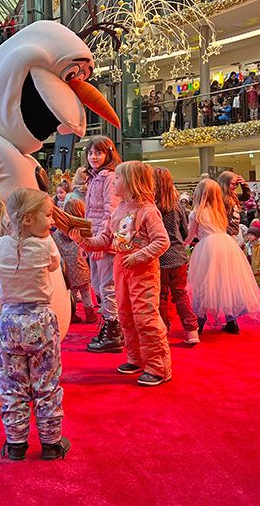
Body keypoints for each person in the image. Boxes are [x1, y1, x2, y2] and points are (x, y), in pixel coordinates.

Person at [0, 188, 69, 461]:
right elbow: (55, 266)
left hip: (9, 324)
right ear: (29, 219)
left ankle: (15, 443)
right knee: (47, 384)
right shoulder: (46, 245)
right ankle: (51, 443)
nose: (52, 221)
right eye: (48, 215)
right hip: (41, 322)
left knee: (12, 385)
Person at [71, 161, 172, 386]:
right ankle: (136, 358)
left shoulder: (147, 210)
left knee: (145, 317)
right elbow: (105, 239)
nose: (113, 182)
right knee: (125, 315)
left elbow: (162, 241)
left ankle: (158, 366)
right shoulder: (118, 211)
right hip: (121, 268)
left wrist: (139, 256)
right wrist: (83, 240)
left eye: (117, 178)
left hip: (142, 271)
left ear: (131, 182)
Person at [185, 179, 260, 334]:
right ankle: (232, 321)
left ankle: (199, 324)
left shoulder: (195, 213)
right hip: (227, 245)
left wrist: (182, 245)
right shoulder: (219, 211)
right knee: (226, 283)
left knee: (205, 284)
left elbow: (190, 236)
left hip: (208, 247)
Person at [83, 136, 124, 353]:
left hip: (104, 242)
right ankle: (111, 327)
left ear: (108, 154)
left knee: (106, 286)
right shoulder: (95, 177)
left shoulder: (109, 177)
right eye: (90, 153)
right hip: (95, 240)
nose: (93, 157)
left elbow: (111, 211)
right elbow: (91, 214)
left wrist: (101, 241)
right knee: (98, 285)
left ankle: (113, 331)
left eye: (98, 153)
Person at [154, 167, 199, 344]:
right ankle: (191, 330)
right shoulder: (177, 206)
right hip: (178, 256)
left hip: (160, 256)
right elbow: (184, 230)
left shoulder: (152, 207)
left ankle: (163, 329)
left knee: (161, 296)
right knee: (180, 294)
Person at [53, 198, 95, 324]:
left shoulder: (57, 234)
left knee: (71, 296)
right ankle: (90, 315)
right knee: (86, 294)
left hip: (67, 273)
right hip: (81, 269)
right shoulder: (82, 233)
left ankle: (71, 315)